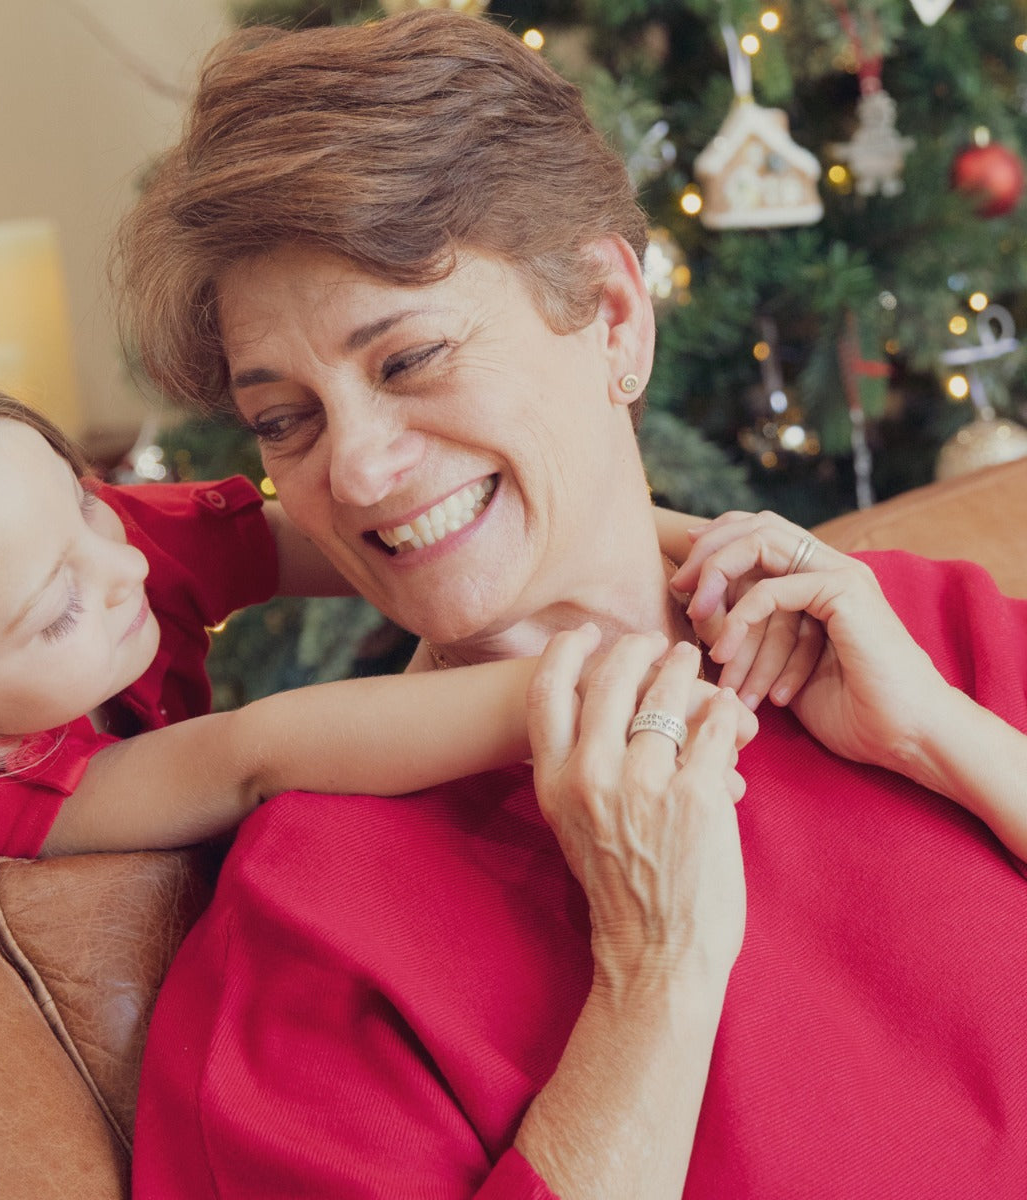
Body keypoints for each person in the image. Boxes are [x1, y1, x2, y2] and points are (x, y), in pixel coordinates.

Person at [117, 11, 1027, 1198]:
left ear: (611, 316)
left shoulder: (928, 641)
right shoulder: (317, 925)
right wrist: (658, 971)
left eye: (407, 360)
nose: (355, 473)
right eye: (287, 418)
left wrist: (942, 741)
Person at [0, 356, 734, 885]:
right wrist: (626, 678)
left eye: (87, 500)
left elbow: (373, 532)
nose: (130, 563)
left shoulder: (81, 552)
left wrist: (701, 545)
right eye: (58, 609)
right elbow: (255, 755)